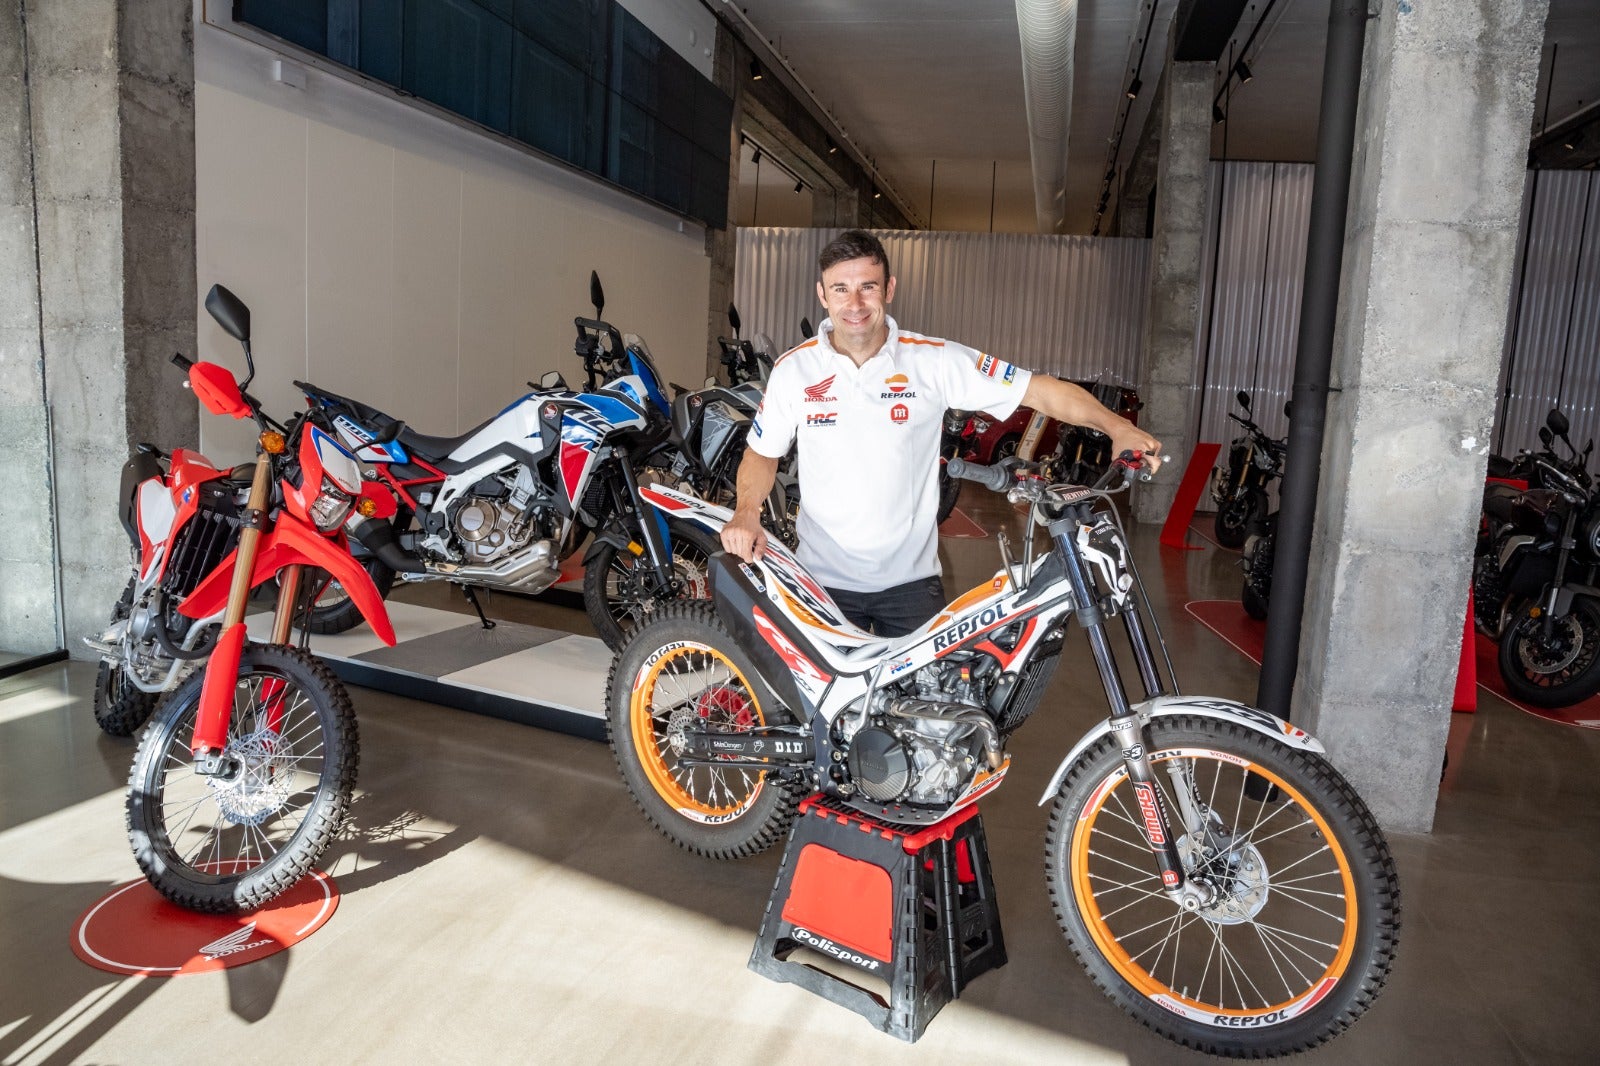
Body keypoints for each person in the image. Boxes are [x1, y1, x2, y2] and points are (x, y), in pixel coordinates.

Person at [722, 229, 1161, 636]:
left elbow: (1036, 389)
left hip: (911, 587)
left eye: (868, 287)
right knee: (819, 718)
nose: (854, 303)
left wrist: (1118, 426)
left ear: (889, 289)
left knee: (924, 717)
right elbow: (762, 453)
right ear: (822, 295)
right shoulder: (794, 370)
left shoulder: (932, 361)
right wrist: (746, 510)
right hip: (819, 583)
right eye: (841, 288)